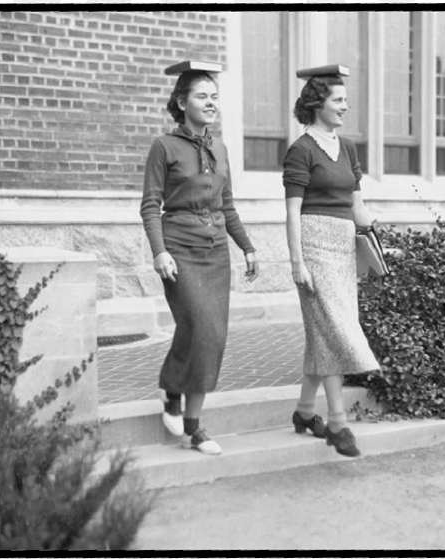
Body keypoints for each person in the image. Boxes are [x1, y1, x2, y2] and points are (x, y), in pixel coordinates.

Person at [140, 60, 259, 455]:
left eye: (214, 97)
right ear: (181, 101)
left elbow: (227, 206)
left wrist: (248, 246)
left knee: (212, 336)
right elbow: (150, 205)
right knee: (198, 326)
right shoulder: (164, 146)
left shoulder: (220, 148)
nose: (211, 104)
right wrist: (159, 251)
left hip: (216, 252)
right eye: (202, 96)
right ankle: (177, 398)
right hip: (179, 249)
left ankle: (190, 420)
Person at [283, 64, 381, 457]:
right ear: (317, 103)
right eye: (338, 100)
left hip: (342, 247)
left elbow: (357, 206)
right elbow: (292, 212)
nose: (345, 106)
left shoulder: (349, 147)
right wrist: (296, 262)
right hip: (312, 245)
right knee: (336, 330)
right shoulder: (301, 150)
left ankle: (305, 413)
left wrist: (378, 238)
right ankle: (338, 424)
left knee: (325, 332)